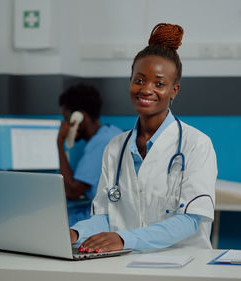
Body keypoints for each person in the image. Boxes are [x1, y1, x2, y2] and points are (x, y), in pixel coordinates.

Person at [69, 23, 217, 252]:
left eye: (159, 83)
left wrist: (124, 239)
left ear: (174, 90)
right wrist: (75, 233)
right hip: (127, 263)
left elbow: (189, 220)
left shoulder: (196, 144)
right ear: (130, 81)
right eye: (139, 80)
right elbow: (106, 216)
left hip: (184, 265)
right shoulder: (115, 147)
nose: (146, 89)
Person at [56, 83, 122, 226]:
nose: (65, 125)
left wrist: (60, 143)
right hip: (109, 214)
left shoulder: (101, 143)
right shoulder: (112, 132)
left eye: (67, 120)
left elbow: (72, 191)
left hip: (106, 220)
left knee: (50, 220)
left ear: (80, 118)